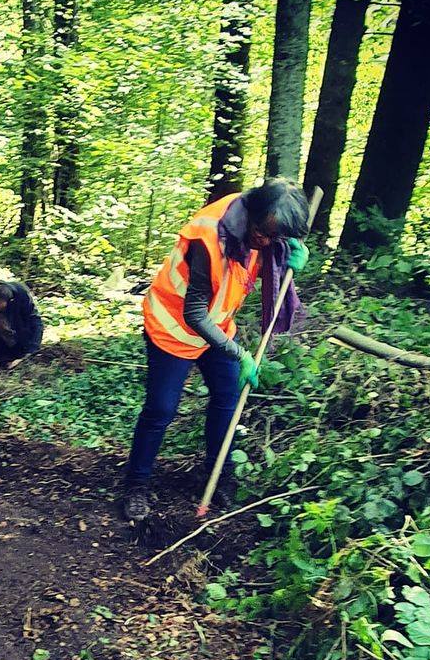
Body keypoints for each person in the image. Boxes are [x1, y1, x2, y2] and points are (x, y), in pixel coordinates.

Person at [121, 178, 310, 521]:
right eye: (265, 236)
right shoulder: (208, 238)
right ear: (253, 215)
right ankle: (136, 484)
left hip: (217, 326)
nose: (268, 243)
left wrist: (291, 257)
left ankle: (217, 476)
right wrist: (239, 353)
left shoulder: (265, 223)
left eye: (276, 239)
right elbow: (194, 314)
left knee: (228, 396)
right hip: (174, 327)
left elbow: (275, 248)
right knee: (161, 409)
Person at [0, 280, 44, 370]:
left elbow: (36, 323)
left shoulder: (22, 296)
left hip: (19, 338)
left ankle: (14, 354)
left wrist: (31, 351)